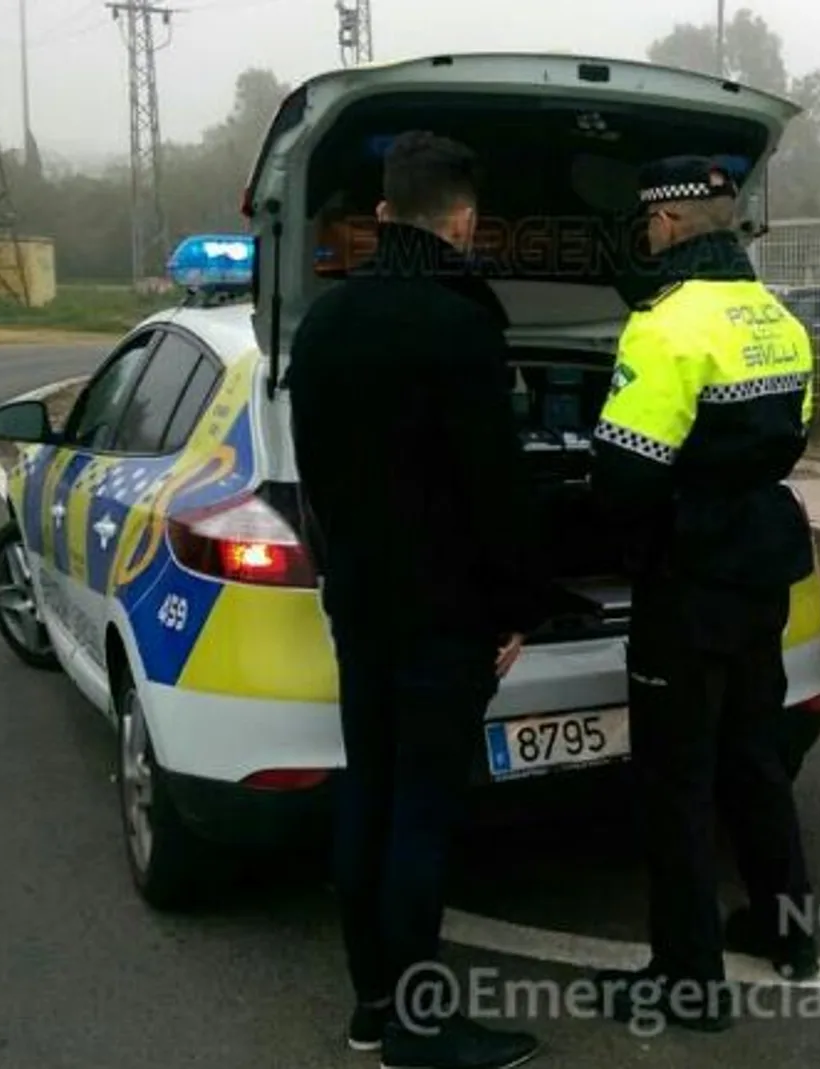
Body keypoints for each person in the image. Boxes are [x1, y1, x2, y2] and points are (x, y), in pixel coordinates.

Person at [285, 129, 549, 1069]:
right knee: (424, 816)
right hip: (443, 614)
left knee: (372, 792)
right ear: (466, 223)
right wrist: (515, 606)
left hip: (359, 600)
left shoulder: (323, 322)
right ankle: (419, 1027)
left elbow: (314, 478)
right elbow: (494, 486)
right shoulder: (461, 322)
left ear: (386, 215)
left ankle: (369, 1004)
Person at [586, 155, 820, 1032]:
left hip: (686, 584)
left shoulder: (663, 325)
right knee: (754, 756)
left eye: (650, 223)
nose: (647, 236)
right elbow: (792, 438)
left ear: (675, 223)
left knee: (677, 782)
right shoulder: (781, 319)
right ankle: (786, 929)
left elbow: (624, 475)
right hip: (761, 571)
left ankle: (688, 979)